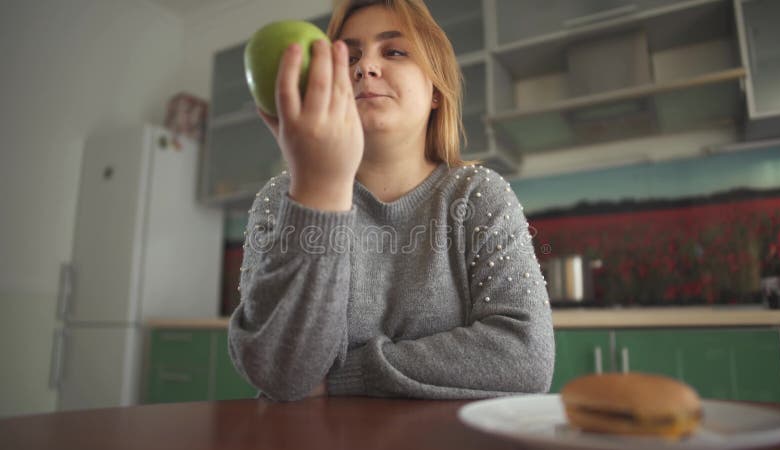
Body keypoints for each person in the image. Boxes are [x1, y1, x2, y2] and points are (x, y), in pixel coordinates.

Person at [228, 0, 554, 402]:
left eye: (395, 51)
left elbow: (526, 356)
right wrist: (319, 189)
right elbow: (280, 374)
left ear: (436, 89)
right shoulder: (281, 199)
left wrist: (343, 378)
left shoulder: (480, 194)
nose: (365, 67)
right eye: (348, 57)